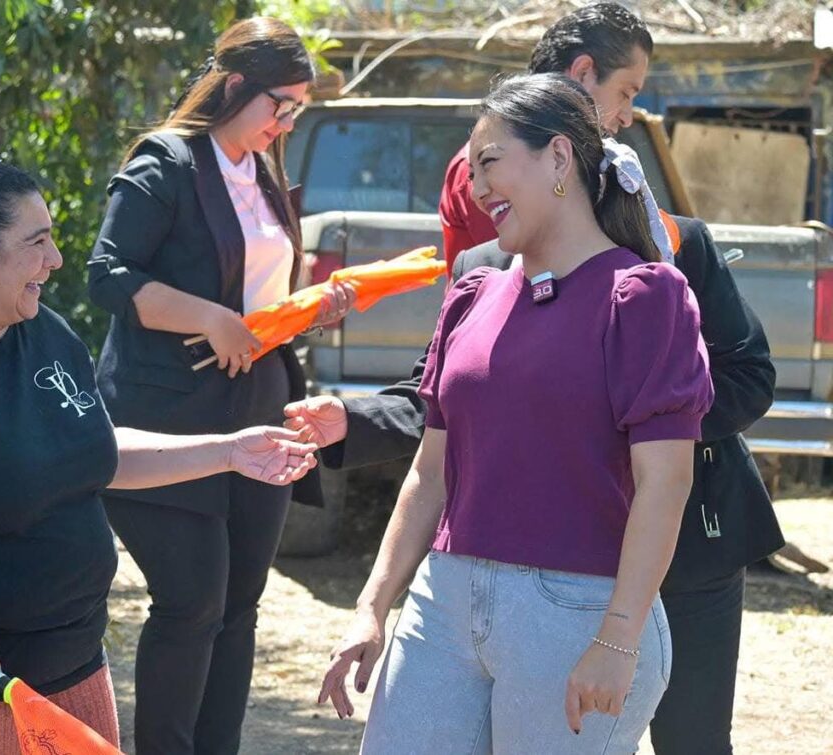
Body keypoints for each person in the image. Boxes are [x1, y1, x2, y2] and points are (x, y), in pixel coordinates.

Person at [287, 6, 784, 752]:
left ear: (558, 159)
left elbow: (667, 478)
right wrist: (372, 605)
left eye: (489, 163)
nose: (475, 188)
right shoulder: (472, 288)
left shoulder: (647, 293)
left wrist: (617, 637)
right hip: (447, 597)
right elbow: (432, 466)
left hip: (578, 601)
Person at [0, 145, 318, 755]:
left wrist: (229, 450)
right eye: (37, 242)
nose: (55, 260)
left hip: (75, 667)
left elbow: (93, 452)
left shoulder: (45, 332)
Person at [85, 17, 352, 755]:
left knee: (239, 606)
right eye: (281, 104)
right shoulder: (165, 162)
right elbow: (106, 275)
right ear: (235, 85)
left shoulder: (262, 171)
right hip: (168, 417)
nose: (288, 121)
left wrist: (312, 304)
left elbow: (259, 297)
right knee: (193, 599)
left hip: (260, 406)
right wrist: (210, 317)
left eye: (299, 108)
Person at [438, 2, 652, 270]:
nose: (627, 117)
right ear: (583, 72)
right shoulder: (487, 172)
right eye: (625, 93)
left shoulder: (639, 289)